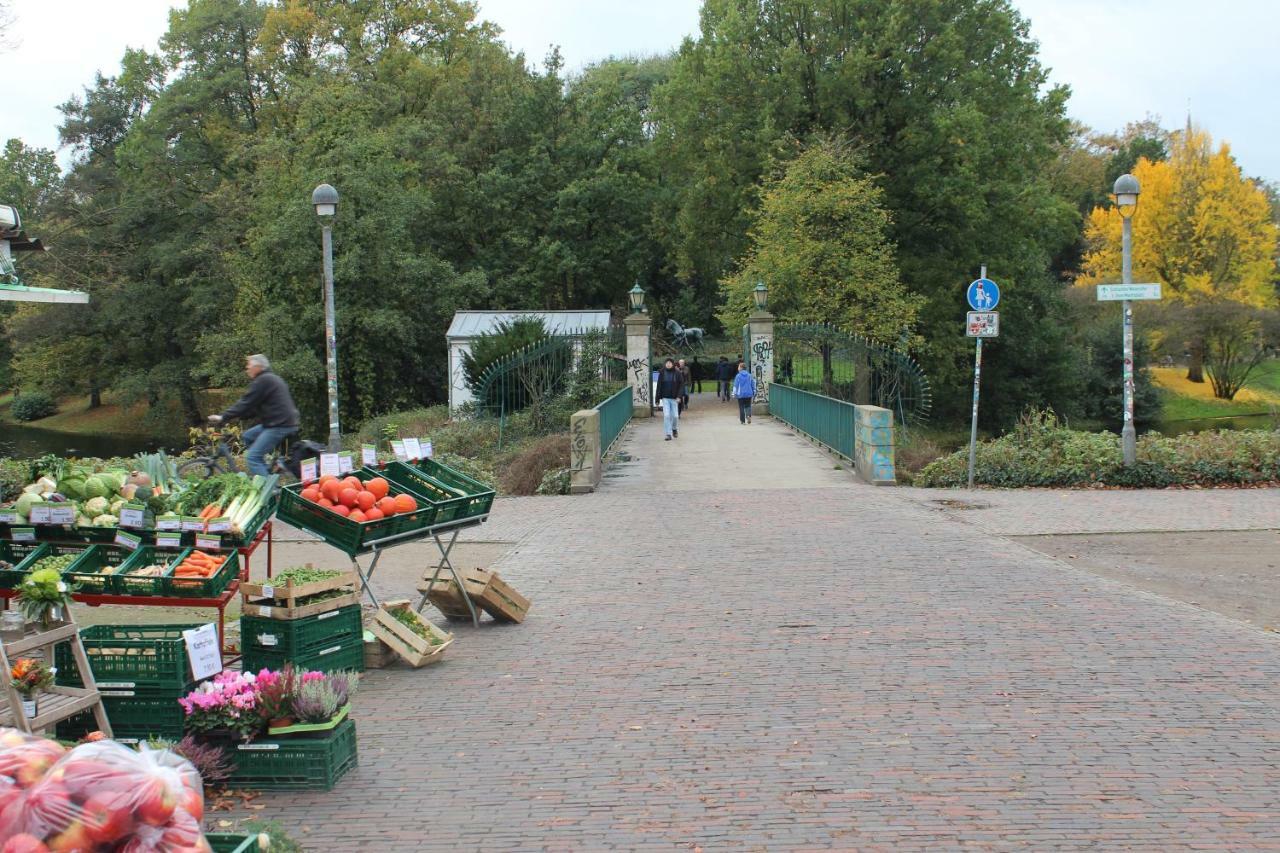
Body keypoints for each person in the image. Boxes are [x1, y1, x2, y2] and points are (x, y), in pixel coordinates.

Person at [208, 354, 300, 476]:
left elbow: (246, 402)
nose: (247, 368)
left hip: (279, 425)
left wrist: (223, 417)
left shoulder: (263, 380)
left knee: (252, 458)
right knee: (247, 436)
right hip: (280, 422)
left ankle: (269, 491)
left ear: (258, 367)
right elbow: (253, 407)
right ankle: (266, 468)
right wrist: (237, 416)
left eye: (249, 365)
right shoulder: (270, 379)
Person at [655, 358, 684, 441]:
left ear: (673, 364)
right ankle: (668, 434)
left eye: (670, 363)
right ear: (665, 364)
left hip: (674, 398)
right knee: (667, 416)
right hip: (665, 398)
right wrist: (657, 399)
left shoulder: (677, 373)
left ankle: (674, 429)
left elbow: (681, 385)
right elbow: (659, 386)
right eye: (666, 363)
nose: (668, 364)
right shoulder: (662, 373)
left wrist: (679, 396)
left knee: (675, 416)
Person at [732, 360, 757, 425]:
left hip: (741, 394)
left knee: (741, 407)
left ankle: (742, 421)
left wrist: (734, 393)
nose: (738, 368)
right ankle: (748, 416)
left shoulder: (738, 376)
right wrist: (754, 390)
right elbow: (753, 383)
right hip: (749, 393)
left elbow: (735, 385)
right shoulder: (749, 375)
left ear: (741, 368)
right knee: (748, 406)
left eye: (738, 367)